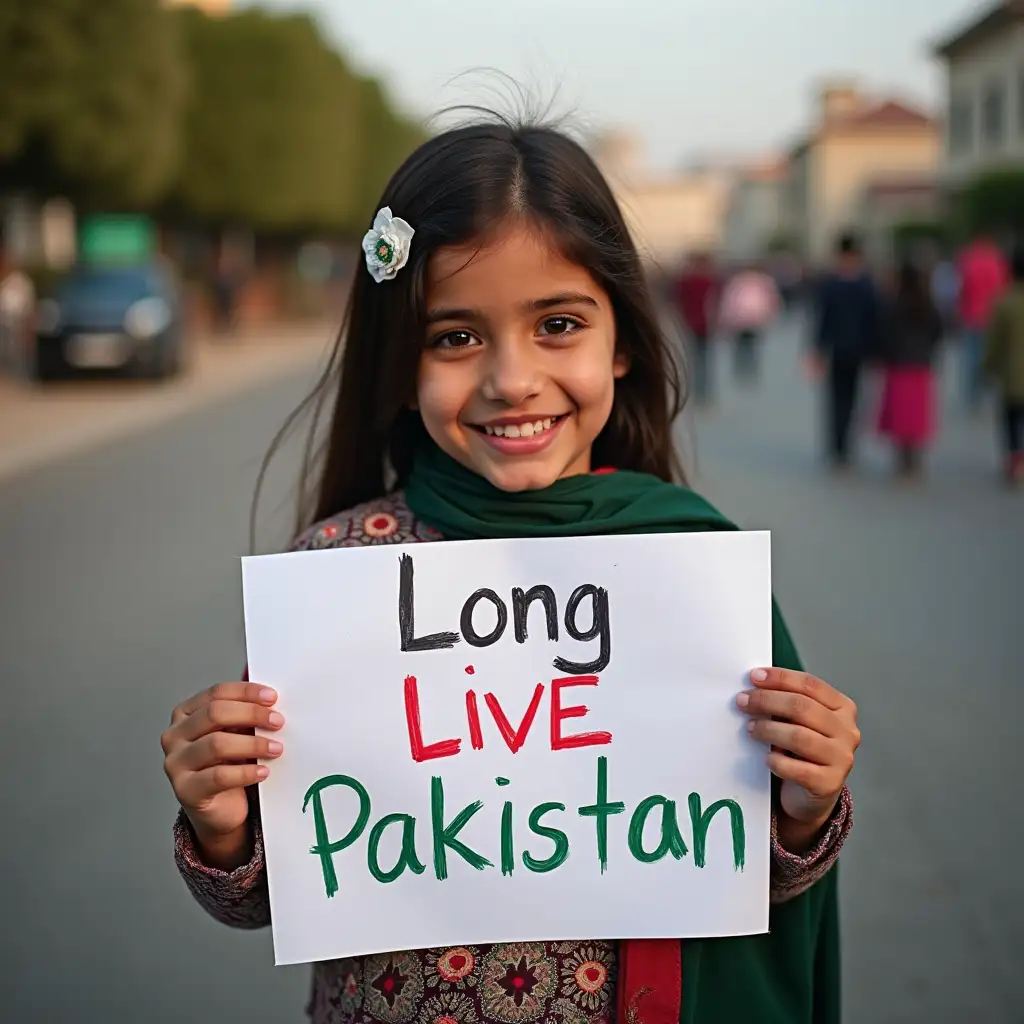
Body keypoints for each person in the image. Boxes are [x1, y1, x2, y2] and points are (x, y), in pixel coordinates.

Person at [161, 120, 860, 1024]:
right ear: (401, 363)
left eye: (558, 324)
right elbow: (276, 893)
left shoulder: (688, 574)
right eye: (454, 337)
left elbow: (746, 877)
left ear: (621, 344)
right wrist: (222, 829)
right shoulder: (341, 571)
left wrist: (805, 810)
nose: (511, 379)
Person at [810, 232, 882, 471]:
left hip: (841, 350)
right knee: (846, 400)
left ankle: (840, 449)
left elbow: (823, 320)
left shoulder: (832, 283)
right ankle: (842, 449)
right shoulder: (866, 283)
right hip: (853, 350)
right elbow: (874, 321)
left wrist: (818, 348)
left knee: (840, 401)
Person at [876, 261, 944, 479]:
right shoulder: (928, 304)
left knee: (900, 414)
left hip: (898, 364)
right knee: (916, 415)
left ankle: (903, 459)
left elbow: (884, 334)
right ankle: (915, 458)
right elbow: (938, 331)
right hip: (921, 364)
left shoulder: (894, 304)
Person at [983, 245, 1024, 487]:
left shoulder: (1004, 301)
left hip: (1012, 374)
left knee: (1010, 420)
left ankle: (1014, 460)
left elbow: (995, 340)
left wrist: (988, 366)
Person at [957, 233, 1008, 412]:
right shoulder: (998, 262)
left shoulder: (969, 261)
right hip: (993, 317)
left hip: (972, 316)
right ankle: (991, 396)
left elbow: (964, 289)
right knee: (993, 359)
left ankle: (972, 398)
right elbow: (1003, 289)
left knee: (972, 359)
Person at [718, 262, 781, 384]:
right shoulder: (758, 282)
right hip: (745, 319)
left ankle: (746, 367)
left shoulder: (748, 282)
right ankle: (747, 368)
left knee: (746, 345)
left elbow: (769, 300)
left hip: (747, 319)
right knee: (746, 345)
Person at [673, 252, 719, 404]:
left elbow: (678, 301)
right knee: (705, 359)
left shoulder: (685, 281)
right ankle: (704, 392)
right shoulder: (709, 281)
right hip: (705, 324)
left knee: (693, 358)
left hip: (690, 322)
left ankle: (695, 392)